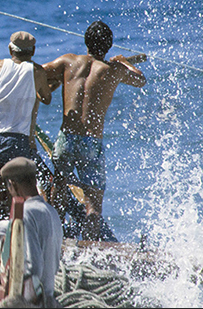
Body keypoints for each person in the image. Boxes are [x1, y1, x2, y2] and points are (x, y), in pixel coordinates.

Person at [42, 20, 146, 240]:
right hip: (91, 143)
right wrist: (125, 62)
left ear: (86, 42)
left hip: (66, 138)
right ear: (108, 47)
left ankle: (55, 239)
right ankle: (89, 252)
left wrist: (57, 83)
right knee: (94, 207)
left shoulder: (68, 61)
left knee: (60, 188)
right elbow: (141, 80)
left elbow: (39, 72)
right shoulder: (114, 69)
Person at [0, 31, 52, 218]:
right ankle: (15, 225)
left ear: (10, 49)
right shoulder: (37, 72)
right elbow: (47, 98)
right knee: (18, 192)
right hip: (18, 141)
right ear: (33, 51)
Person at [0, 157, 63, 307]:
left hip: (32, 301)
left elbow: (34, 267)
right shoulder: (52, 212)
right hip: (49, 295)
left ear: (13, 184)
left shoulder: (26, 213)